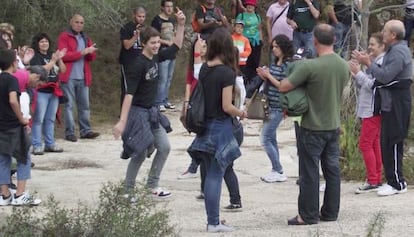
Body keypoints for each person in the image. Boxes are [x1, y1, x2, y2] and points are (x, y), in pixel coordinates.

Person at [271, 24, 349, 225]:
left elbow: (284, 86)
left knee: (309, 172)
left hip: (312, 126)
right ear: (334, 40)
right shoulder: (343, 65)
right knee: (332, 171)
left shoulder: (309, 66)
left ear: (315, 41)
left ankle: (307, 214)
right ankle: (330, 212)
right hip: (333, 125)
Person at [112, 7, 186, 200]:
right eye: (152, 43)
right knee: (140, 151)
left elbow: (176, 46)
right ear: (143, 43)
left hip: (152, 112)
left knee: (165, 147)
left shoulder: (157, 56)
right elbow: (128, 95)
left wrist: (181, 24)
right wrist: (122, 121)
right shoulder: (137, 64)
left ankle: (151, 185)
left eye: (157, 42)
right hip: (138, 112)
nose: (156, 45)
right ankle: (127, 191)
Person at [187, 27, 246, 233]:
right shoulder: (227, 73)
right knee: (215, 175)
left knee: (211, 175)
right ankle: (213, 222)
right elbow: (227, 106)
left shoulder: (205, 69)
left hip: (205, 126)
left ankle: (213, 221)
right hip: (221, 126)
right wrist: (242, 112)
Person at [352, 20, 412, 196]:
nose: (382, 33)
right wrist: (368, 62)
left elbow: (385, 77)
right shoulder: (393, 51)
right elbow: (381, 77)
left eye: (385, 31)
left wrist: (368, 64)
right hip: (390, 102)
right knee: (386, 142)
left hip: (398, 102)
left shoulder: (399, 51)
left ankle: (397, 183)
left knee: (393, 141)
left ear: (393, 35)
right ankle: (392, 180)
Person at [0, 49, 42, 206]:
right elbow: (12, 100)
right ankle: (19, 194)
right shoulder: (12, 80)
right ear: (13, 63)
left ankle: (4, 195)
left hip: (1, 126)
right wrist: (22, 119)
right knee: (23, 158)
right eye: (17, 61)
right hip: (13, 126)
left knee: (3, 159)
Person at [256, 34, 294, 183]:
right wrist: (265, 75)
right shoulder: (275, 63)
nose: (274, 49)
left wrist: (269, 76)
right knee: (271, 138)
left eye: (277, 47)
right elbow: (272, 81)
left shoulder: (287, 65)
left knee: (265, 138)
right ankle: (276, 169)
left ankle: (278, 169)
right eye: (273, 47)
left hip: (278, 107)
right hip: (269, 104)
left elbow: (282, 85)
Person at [349, 32, 384, 194]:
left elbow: (373, 86)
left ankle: (373, 180)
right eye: (369, 44)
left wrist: (359, 72)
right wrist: (356, 72)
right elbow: (363, 85)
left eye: (373, 45)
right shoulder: (373, 63)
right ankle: (376, 177)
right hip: (368, 109)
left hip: (372, 110)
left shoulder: (380, 63)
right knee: (374, 143)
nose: (370, 47)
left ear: (382, 46)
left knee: (365, 144)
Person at [57, 14, 99, 142]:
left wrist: (91, 52)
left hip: (83, 75)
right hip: (69, 76)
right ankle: (69, 132)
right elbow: (63, 56)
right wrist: (82, 52)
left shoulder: (85, 38)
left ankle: (85, 130)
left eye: (81, 22)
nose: (79, 24)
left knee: (84, 105)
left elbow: (91, 58)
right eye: (77, 22)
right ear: (71, 22)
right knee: (69, 105)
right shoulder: (64, 36)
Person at [30, 33, 67, 155]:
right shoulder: (35, 57)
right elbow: (41, 70)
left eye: (46, 41)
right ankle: (36, 144)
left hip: (54, 90)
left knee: (50, 119)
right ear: (37, 44)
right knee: (38, 119)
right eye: (41, 42)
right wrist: (53, 61)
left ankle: (50, 143)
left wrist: (59, 59)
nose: (44, 43)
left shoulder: (53, 55)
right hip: (41, 90)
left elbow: (63, 70)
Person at [178, 36, 208, 181]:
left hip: (204, 103)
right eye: (201, 47)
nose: (203, 49)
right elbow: (189, 84)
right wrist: (186, 103)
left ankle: (193, 167)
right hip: (194, 103)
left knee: (201, 135)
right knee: (199, 133)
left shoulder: (208, 65)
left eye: (205, 47)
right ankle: (194, 166)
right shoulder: (193, 66)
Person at [152, 0, 177, 112]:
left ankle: (165, 99)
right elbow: (154, 36)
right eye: (167, 6)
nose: (169, 9)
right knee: (162, 78)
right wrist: (166, 42)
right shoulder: (157, 20)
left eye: (171, 6)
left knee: (169, 78)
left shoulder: (172, 20)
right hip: (162, 51)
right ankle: (158, 102)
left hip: (172, 52)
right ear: (162, 7)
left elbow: (174, 33)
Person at [119, 6, 146, 109]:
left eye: (143, 17)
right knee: (127, 89)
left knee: (139, 88)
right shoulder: (126, 28)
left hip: (141, 61)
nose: (141, 19)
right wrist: (136, 36)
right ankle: (123, 113)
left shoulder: (145, 29)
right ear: (134, 15)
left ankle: (135, 111)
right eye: (139, 16)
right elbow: (127, 45)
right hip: (128, 62)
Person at [236, 0, 263, 82]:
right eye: (248, 4)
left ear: (255, 6)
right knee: (244, 63)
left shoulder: (257, 16)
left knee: (255, 63)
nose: (250, 6)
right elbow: (237, 28)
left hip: (256, 42)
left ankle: (253, 82)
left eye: (252, 5)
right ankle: (244, 81)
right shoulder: (241, 16)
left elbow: (259, 29)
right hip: (244, 42)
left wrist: (261, 40)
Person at [231, 20, 252, 86]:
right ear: (234, 28)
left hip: (242, 63)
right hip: (232, 62)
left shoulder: (245, 39)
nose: (239, 29)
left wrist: (240, 55)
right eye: (238, 27)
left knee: (241, 78)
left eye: (241, 27)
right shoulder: (231, 38)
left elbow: (248, 50)